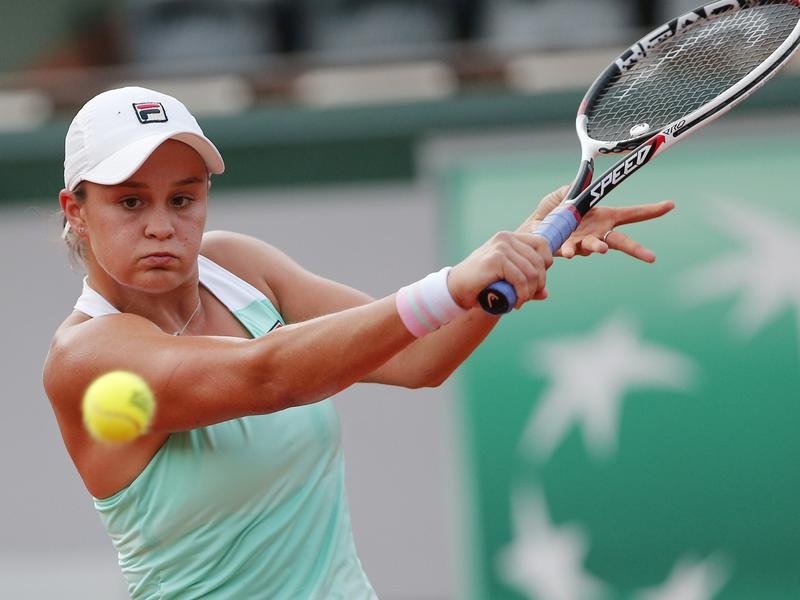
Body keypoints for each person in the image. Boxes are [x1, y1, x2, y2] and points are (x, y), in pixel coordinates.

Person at [43, 86, 674, 599]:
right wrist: (451, 283)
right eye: (131, 203)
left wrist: (527, 246)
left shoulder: (238, 267)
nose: (162, 225)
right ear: (76, 210)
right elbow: (268, 376)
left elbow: (418, 356)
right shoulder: (84, 357)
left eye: (182, 198)